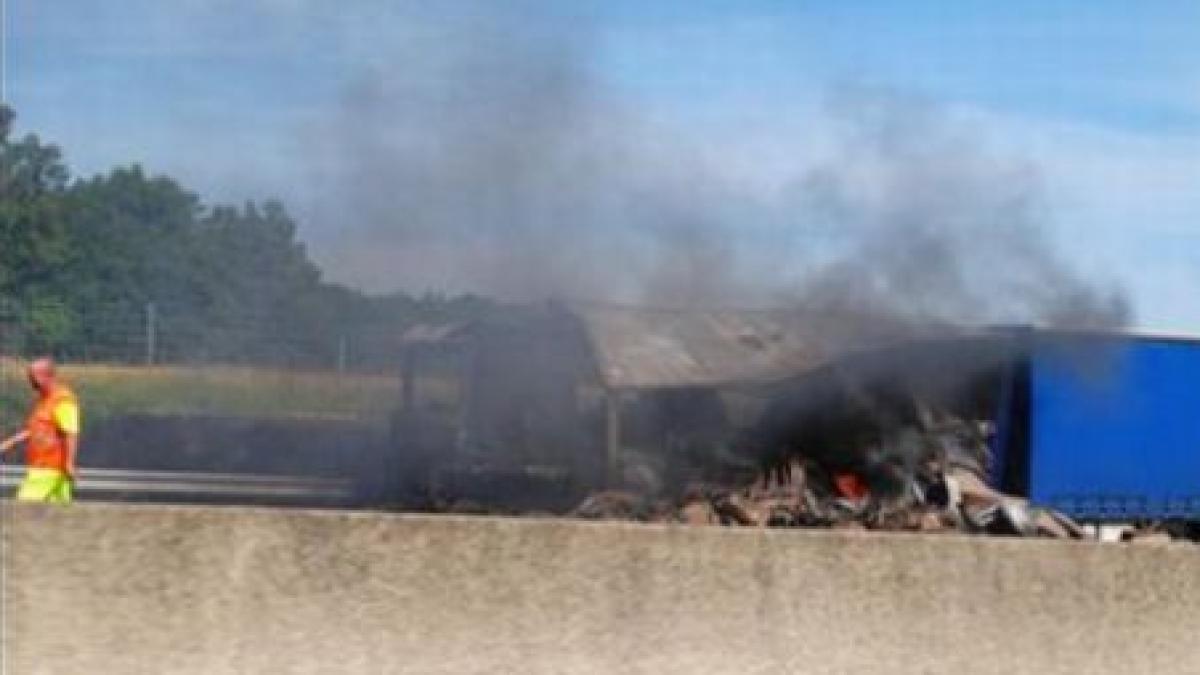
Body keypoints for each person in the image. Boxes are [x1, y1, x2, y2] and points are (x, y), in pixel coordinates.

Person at [1, 357, 81, 503]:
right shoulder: (44, 400)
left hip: (48, 467)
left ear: (46, 376)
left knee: (23, 508)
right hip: (44, 466)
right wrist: (10, 442)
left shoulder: (63, 399)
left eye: (32, 377)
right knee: (59, 514)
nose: (30, 381)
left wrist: (69, 463)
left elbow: (71, 432)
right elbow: (36, 429)